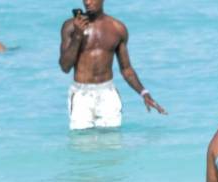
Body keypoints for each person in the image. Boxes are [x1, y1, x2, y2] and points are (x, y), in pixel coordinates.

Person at [58, 0, 166, 130]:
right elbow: (65, 67)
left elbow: (126, 69)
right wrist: (77, 36)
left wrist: (144, 93)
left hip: (107, 94)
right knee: (82, 144)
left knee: (112, 144)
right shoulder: (70, 27)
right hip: (81, 95)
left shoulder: (117, 28)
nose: (87, 2)